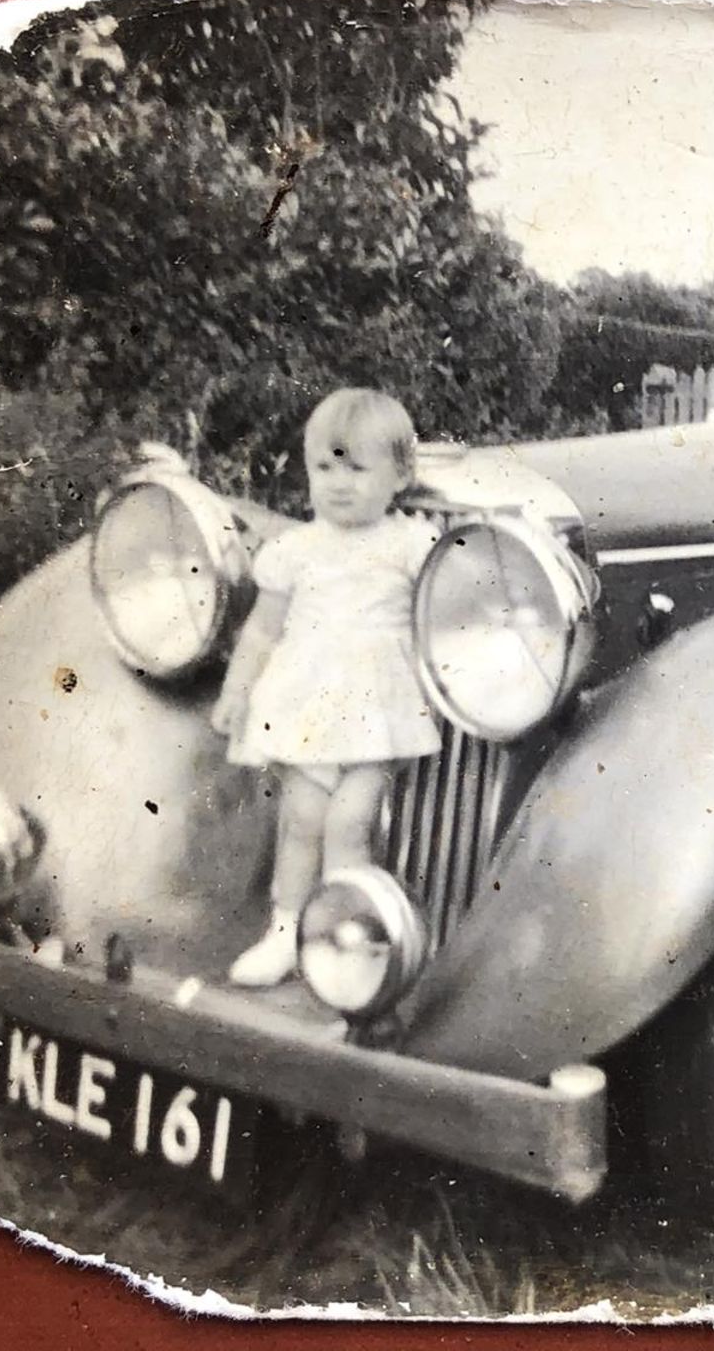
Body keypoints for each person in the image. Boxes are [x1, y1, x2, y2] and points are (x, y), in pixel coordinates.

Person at [211, 388, 441, 986]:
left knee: (350, 824)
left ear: (399, 476)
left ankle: (347, 935)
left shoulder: (410, 544)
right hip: (306, 707)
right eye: (324, 467)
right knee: (301, 822)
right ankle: (286, 933)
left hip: (376, 710)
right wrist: (238, 691)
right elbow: (263, 632)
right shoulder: (296, 549)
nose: (339, 483)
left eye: (357, 468)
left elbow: (451, 602)